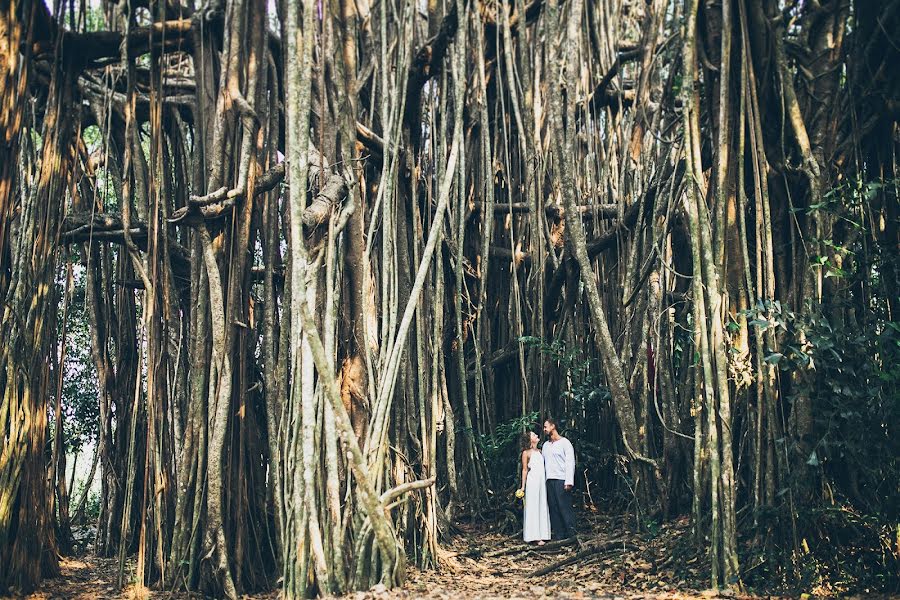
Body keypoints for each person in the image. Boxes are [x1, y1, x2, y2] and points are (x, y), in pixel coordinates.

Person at [542, 417, 577, 540]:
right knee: (554, 508)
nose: (544, 429)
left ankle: (572, 534)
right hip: (549, 480)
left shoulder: (565, 443)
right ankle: (559, 536)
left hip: (561, 479)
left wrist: (569, 481)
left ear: (553, 426)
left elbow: (570, 462)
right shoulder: (545, 445)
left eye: (546, 426)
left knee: (564, 507)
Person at [517, 431, 550, 545]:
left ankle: (543, 533)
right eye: (534, 435)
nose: (536, 435)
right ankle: (534, 536)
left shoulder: (540, 452)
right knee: (533, 507)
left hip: (542, 482)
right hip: (532, 482)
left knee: (542, 505)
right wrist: (522, 487)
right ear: (530, 440)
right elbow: (525, 470)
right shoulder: (526, 453)